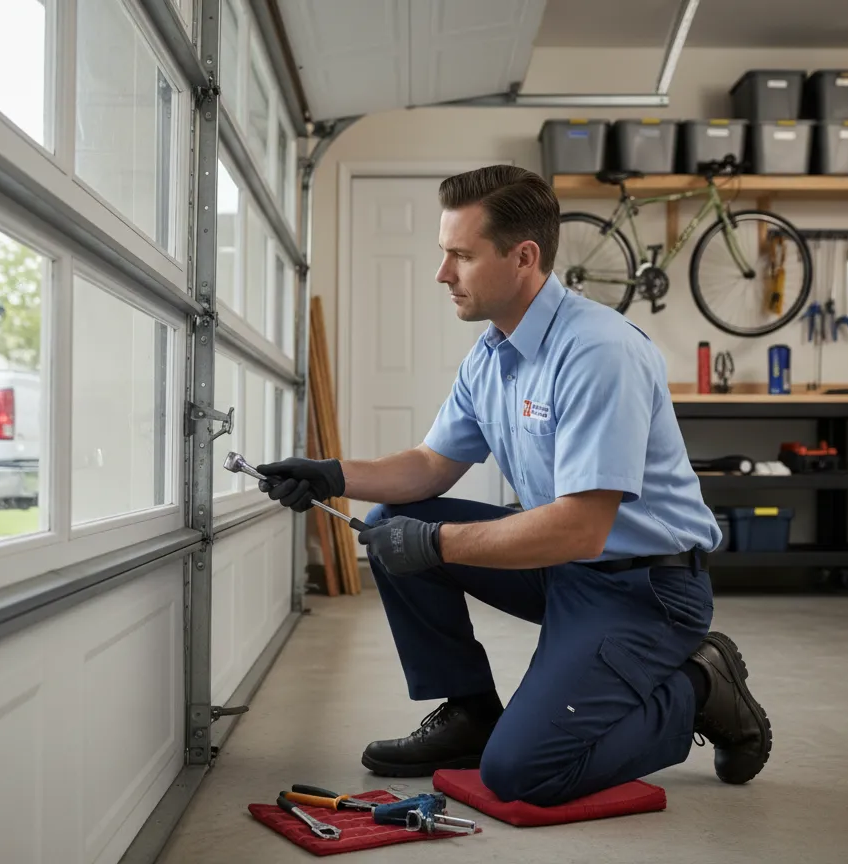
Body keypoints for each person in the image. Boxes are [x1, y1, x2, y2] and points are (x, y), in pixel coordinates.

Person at [256, 164, 771, 807]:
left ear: (523, 257)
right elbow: (430, 465)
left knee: (523, 774)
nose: (442, 274)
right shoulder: (491, 354)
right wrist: (333, 475)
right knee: (390, 520)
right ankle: (470, 715)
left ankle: (700, 686)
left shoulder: (598, 352)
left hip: (644, 588)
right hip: (563, 567)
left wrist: (435, 544)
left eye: (461, 256)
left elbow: (582, 528)